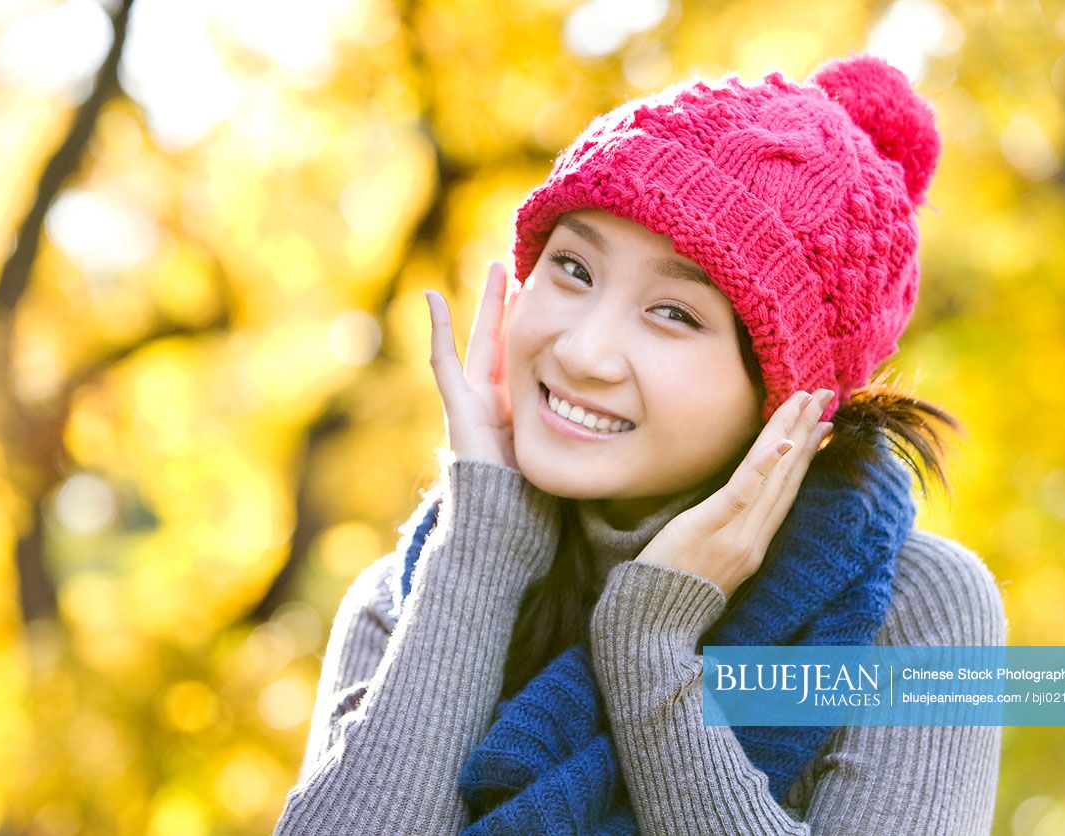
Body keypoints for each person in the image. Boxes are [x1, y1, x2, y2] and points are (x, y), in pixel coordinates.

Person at [273, 54, 1006, 834]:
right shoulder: (414, 594)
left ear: (787, 403)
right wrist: (482, 550)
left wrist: (650, 652)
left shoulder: (912, 609)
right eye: (572, 267)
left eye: (675, 314)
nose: (583, 352)